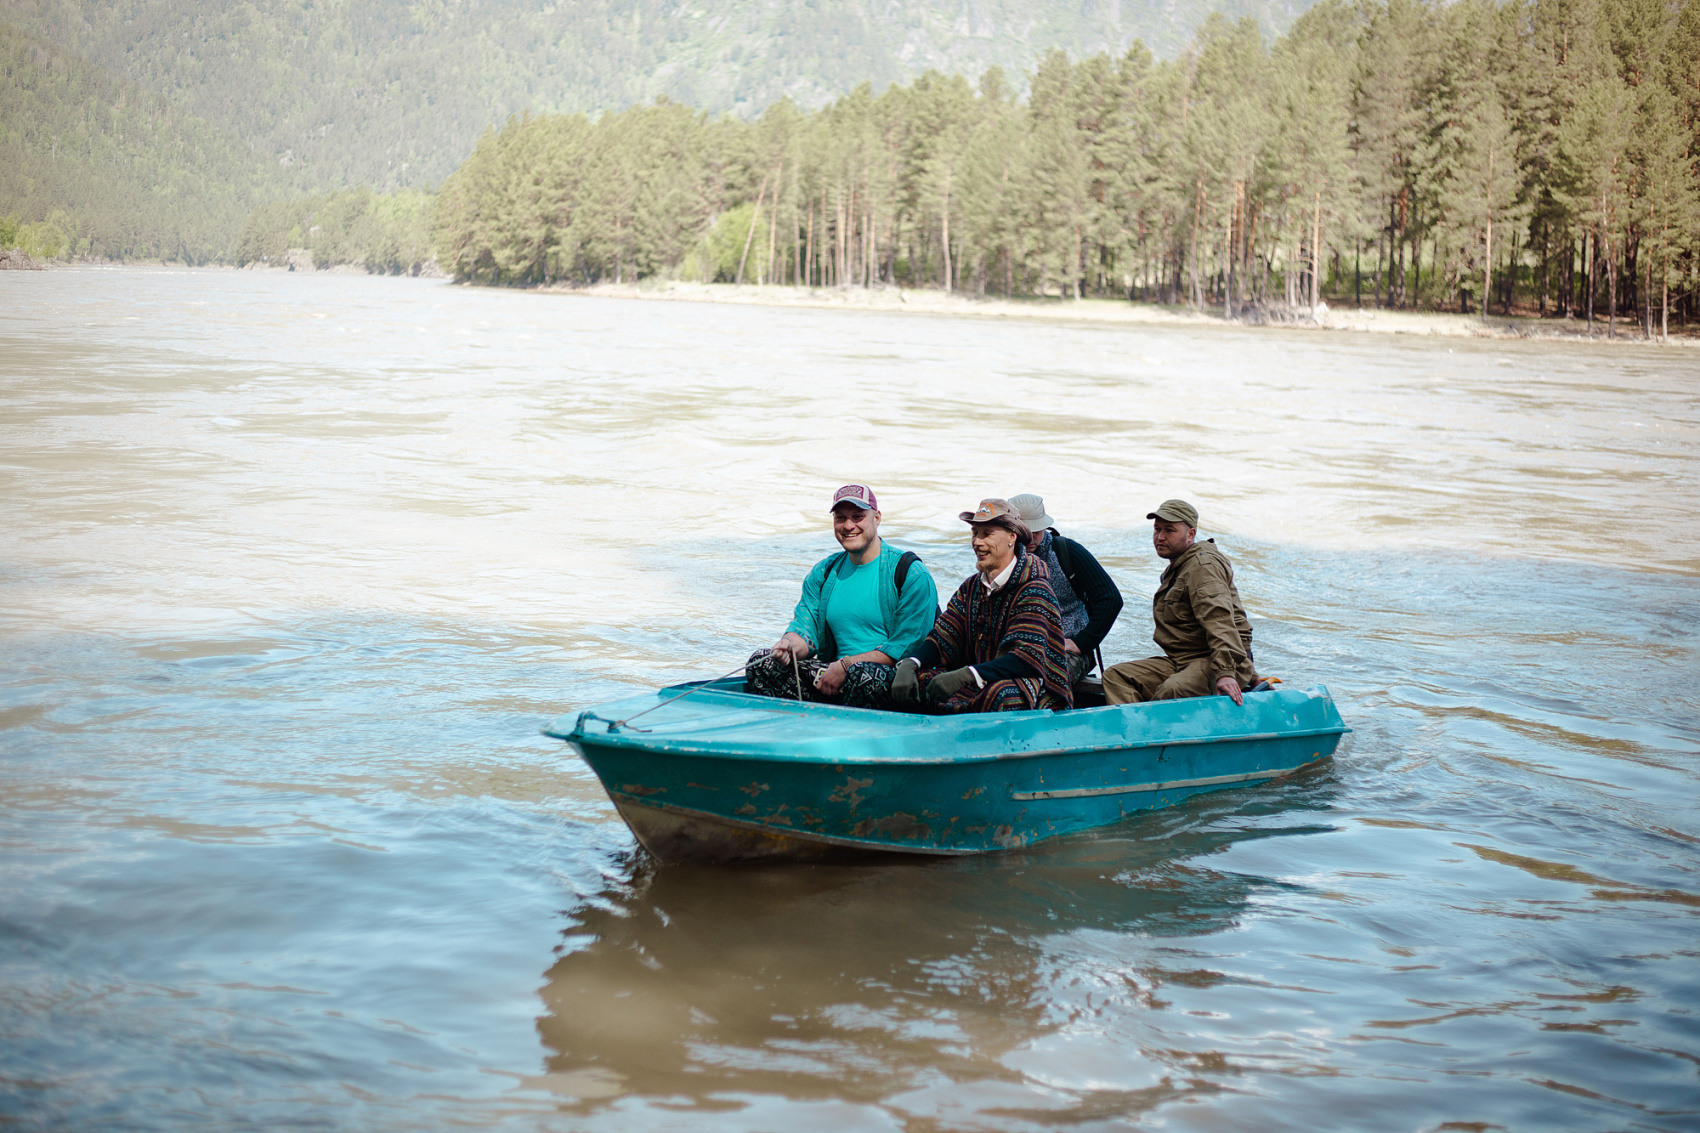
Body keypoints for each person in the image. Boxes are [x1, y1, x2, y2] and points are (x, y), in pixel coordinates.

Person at [746, 484, 940, 710]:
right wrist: (788, 645)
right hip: (834, 675)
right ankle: (803, 722)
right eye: (841, 518)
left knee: (863, 676)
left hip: (894, 679)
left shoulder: (910, 573)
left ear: (877, 518)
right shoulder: (824, 572)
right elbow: (804, 630)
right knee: (761, 663)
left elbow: (907, 646)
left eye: (858, 517)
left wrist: (847, 665)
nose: (848, 526)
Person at [890, 499, 1072, 713]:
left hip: (1031, 687)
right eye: (975, 533)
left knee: (1000, 694)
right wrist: (911, 663)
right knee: (917, 681)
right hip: (980, 678)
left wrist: (967, 675)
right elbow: (944, 637)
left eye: (987, 534)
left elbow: (1025, 659)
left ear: (1011, 537)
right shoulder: (970, 587)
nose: (977, 542)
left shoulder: (1035, 589)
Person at [1102, 499, 1258, 706]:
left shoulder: (1203, 567)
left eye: (1169, 530)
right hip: (1186, 660)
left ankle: (1153, 725)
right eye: (1157, 529)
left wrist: (1227, 673)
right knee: (1117, 677)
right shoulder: (1180, 566)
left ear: (1191, 534)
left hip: (1217, 661)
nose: (1160, 537)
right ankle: (1133, 725)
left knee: (1173, 690)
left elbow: (1220, 621)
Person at [1007, 493, 1123, 684]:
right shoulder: (1001, 557)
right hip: (1018, 646)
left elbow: (1110, 599)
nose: (1030, 538)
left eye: (1036, 530)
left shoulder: (1067, 551)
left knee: (1049, 679)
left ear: (1044, 526)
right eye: (1024, 531)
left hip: (1067, 647)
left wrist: (1081, 643)